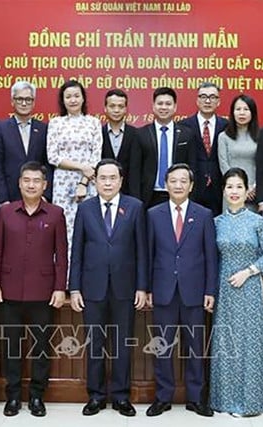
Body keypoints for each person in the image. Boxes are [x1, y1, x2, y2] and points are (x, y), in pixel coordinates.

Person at [69, 159, 147, 417]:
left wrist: (142, 287)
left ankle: (122, 397)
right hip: (92, 288)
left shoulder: (135, 207)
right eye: (102, 178)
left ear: (121, 181)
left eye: (113, 178)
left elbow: (141, 252)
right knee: (95, 344)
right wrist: (75, 288)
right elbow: (77, 250)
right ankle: (96, 396)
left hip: (125, 288)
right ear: (95, 180)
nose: (108, 182)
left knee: (123, 343)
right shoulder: (86, 208)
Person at [0, 161, 67, 417]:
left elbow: (62, 255)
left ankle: (36, 396)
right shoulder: (6, 212)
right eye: (27, 180)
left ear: (45, 185)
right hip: (9, 290)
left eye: (37, 181)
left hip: (44, 292)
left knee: (41, 347)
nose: (31, 185)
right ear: (19, 183)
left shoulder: (56, 213)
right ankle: (13, 397)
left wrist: (60, 288)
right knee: (11, 346)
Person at [145, 163, 216, 417]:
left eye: (183, 181)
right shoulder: (153, 214)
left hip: (194, 291)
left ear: (191, 185)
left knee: (195, 346)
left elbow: (210, 256)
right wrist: (146, 288)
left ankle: (196, 398)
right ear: (166, 184)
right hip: (163, 290)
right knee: (162, 346)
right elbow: (148, 255)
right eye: (173, 181)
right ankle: (163, 397)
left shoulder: (204, 214)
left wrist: (210, 290)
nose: (178, 185)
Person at [210, 167, 263, 417]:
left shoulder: (258, 221)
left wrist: (249, 272)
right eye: (230, 187)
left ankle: (250, 403)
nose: (234, 191)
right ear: (223, 191)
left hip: (249, 289)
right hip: (224, 291)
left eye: (239, 186)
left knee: (249, 344)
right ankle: (225, 401)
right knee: (227, 343)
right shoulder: (216, 222)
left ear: (247, 190)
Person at [46, 80, 102, 266]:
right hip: (63, 183)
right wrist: (81, 167)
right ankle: (65, 279)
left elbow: (96, 157)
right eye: (68, 96)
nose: (73, 100)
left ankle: (85, 278)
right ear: (62, 100)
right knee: (64, 230)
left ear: (83, 98)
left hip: (89, 183)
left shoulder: (93, 123)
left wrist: (84, 182)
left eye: (76, 96)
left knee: (89, 229)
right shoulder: (55, 123)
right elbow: (52, 156)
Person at [129, 87, 197, 207]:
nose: (164, 107)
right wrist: (136, 201)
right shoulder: (140, 134)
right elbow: (134, 171)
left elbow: (192, 167)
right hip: (149, 196)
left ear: (175, 107)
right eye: (160, 103)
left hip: (178, 194)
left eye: (168, 104)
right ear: (153, 106)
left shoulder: (187, 134)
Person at [0, 80, 51, 204]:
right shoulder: (0, 128)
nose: (24, 103)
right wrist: (3, 199)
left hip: (37, 196)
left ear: (33, 103)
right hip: (9, 197)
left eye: (28, 99)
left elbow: (48, 164)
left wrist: (46, 195)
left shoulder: (44, 129)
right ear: (12, 101)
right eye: (19, 99)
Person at [178, 82, 227, 216]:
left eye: (212, 97)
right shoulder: (183, 126)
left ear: (218, 102)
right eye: (203, 96)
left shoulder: (227, 126)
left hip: (219, 189)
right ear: (197, 100)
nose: (207, 101)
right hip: (193, 187)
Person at [217, 94, 260, 212]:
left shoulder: (261, 137)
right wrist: (238, 187)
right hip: (231, 190)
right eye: (238, 109)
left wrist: (252, 188)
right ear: (232, 112)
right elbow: (224, 164)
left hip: (252, 193)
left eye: (246, 109)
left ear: (252, 113)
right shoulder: (223, 137)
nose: (242, 113)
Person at [101, 89, 138, 193]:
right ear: (105, 108)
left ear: (126, 109)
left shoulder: (136, 134)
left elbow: (136, 170)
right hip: (103, 192)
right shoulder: (97, 134)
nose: (116, 110)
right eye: (112, 106)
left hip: (128, 194)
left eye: (120, 106)